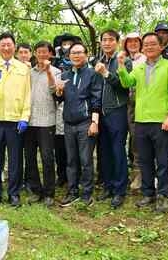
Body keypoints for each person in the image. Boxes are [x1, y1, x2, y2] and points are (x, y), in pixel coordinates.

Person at [117, 33, 168, 213]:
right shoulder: (139, 68)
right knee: (144, 160)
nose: (149, 47)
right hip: (141, 120)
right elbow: (127, 83)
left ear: (161, 47)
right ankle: (148, 193)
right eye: (146, 44)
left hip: (161, 120)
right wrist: (121, 66)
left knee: (163, 160)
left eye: (153, 43)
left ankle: (163, 194)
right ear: (142, 48)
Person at [0, 32, 31, 208]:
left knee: (15, 159)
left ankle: (14, 193)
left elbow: (27, 95)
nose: (6, 47)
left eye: (9, 44)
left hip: (15, 119)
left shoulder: (23, 68)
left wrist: (24, 117)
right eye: (2, 44)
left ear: (14, 46)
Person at [56, 43, 102, 207]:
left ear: (86, 54)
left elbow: (97, 99)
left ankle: (87, 193)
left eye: (79, 52)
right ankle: (72, 191)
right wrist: (59, 92)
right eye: (73, 53)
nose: (76, 55)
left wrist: (94, 122)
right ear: (69, 56)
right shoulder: (65, 75)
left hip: (85, 123)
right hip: (68, 123)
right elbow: (61, 99)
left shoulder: (92, 74)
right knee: (71, 160)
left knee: (86, 160)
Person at [93, 30, 130, 209]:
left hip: (117, 111)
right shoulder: (100, 60)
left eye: (110, 40)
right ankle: (107, 186)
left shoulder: (123, 60)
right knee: (104, 151)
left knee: (117, 150)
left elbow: (124, 86)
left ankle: (119, 190)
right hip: (101, 113)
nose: (107, 43)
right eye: (104, 40)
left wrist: (106, 73)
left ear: (117, 42)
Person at [25, 41, 61, 207]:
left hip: (47, 120)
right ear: (35, 54)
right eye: (39, 52)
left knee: (47, 157)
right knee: (30, 157)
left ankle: (49, 193)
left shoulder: (57, 71)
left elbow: (56, 92)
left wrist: (48, 73)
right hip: (29, 121)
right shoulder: (29, 72)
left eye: (45, 52)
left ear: (50, 54)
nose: (42, 55)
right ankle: (35, 190)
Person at [51, 33, 82, 187]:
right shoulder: (55, 62)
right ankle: (61, 174)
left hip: (76, 109)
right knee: (59, 145)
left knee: (75, 146)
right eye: (64, 44)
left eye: (70, 44)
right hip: (58, 107)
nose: (66, 46)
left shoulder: (81, 63)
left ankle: (77, 175)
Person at [123, 32, 145, 191]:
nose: (132, 44)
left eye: (135, 41)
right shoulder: (122, 59)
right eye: (129, 42)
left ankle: (139, 174)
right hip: (121, 102)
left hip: (139, 102)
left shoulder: (144, 59)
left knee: (137, 138)